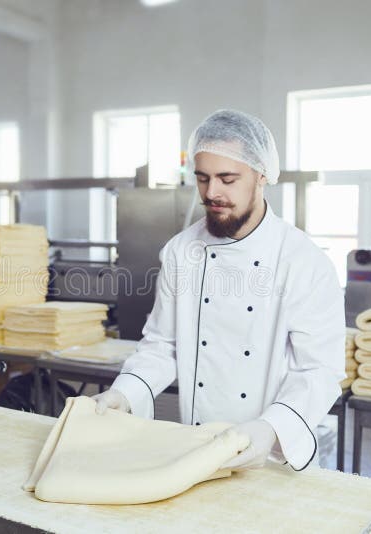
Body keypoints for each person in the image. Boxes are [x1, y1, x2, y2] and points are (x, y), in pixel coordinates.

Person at [93, 109, 345, 471]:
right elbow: (162, 345)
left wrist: (270, 428)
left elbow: (319, 370)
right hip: (196, 446)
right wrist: (126, 392)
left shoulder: (303, 261)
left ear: (262, 176)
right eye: (203, 179)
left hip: (270, 455)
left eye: (228, 179)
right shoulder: (182, 251)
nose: (212, 193)